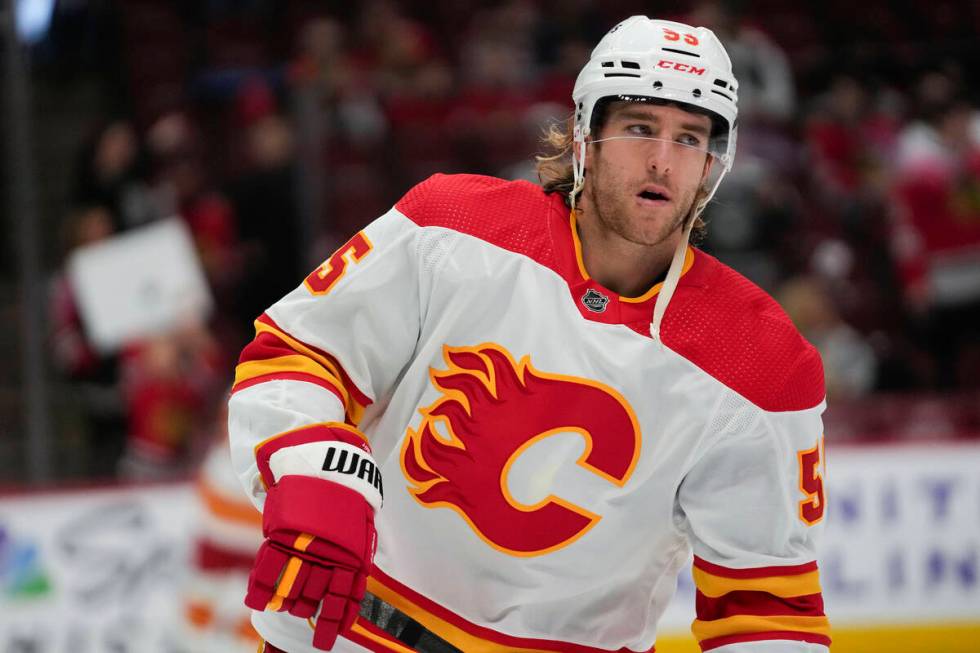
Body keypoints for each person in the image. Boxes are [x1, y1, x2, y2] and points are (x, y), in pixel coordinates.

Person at [228, 16, 831, 653]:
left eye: (689, 138)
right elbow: (297, 355)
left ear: (715, 163)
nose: (662, 159)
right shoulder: (450, 227)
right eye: (639, 127)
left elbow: (766, 606)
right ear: (585, 136)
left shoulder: (761, 364)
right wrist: (314, 463)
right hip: (349, 636)